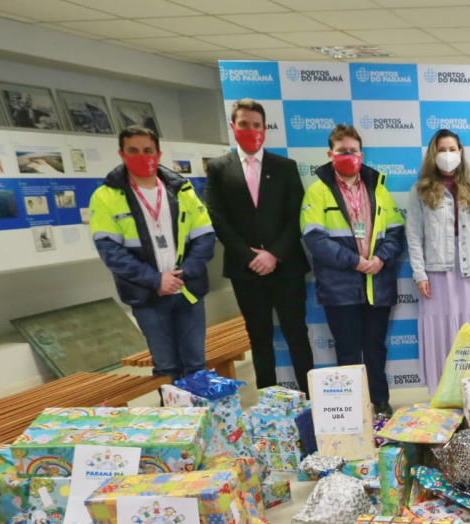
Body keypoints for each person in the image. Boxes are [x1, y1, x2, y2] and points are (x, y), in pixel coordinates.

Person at [89, 125, 215, 381]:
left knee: (196, 365)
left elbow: (205, 237)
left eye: (148, 150)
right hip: (148, 296)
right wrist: (156, 280)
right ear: (121, 154)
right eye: (133, 151)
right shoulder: (105, 196)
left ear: (158, 154)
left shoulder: (182, 190)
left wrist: (185, 272)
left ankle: (200, 420)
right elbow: (111, 252)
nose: (142, 156)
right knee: (166, 369)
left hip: (188, 290)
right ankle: (171, 420)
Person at [206, 98, 314, 391]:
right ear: (233, 127)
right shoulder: (218, 168)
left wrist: (274, 254)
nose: (251, 130)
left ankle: (310, 399)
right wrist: (249, 256)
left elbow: (296, 216)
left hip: (287, 265)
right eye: (244, 124)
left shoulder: (285, 167)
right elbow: (218, 217)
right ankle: (268, 403)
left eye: (256, 125)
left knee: (296, 334)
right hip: (245, 270)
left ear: (264, 129)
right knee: (259, 337)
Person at [301, 124, 404, 418]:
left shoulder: (378, 188)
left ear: (361, 153)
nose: (349, 156)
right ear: (330, 154)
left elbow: (396, 233)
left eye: (353, 151)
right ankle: (352, 409)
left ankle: (380, 402)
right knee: (347, 352)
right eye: (342, 151)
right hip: (339, 287)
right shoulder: (318, 190)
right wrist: (355, 261)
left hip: (377, 284)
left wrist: (380, 259)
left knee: (375, 348)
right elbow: (314, 239)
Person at [407, 129, 470, 394]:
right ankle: (439, 394)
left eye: (452, 149)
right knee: (441, 332)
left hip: (469, 271)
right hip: (437, 272)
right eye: (442, 149)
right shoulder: (420, 190)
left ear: (460, 153)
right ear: (434, 154)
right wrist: (420, 274)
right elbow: (413, 235)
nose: (447, 154)